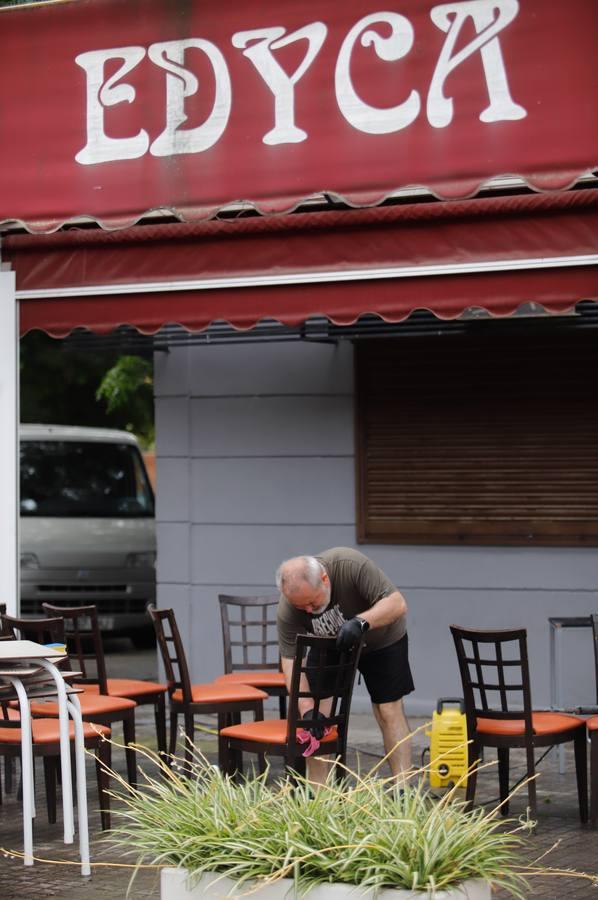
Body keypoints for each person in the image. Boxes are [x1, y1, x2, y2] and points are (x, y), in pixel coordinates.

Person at [275, 547, 413, 783]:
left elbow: (397, 603)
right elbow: (290, 666)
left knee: (388, 710)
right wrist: (308, 708)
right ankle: (319, 797)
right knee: (317, 719)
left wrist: (362, 622)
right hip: (329, 646)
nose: (308, 610)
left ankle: (404, 789)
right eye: (301, 607)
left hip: (382, 639)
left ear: (325, 580)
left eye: (311, 602)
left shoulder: (349, 565)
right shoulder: (288, 610)